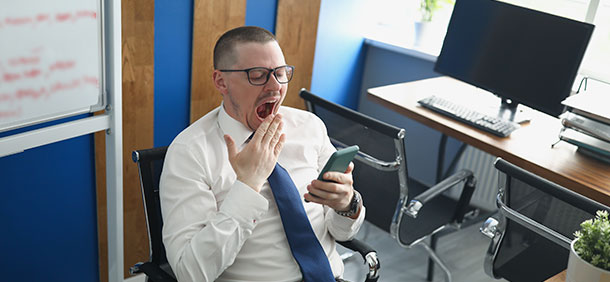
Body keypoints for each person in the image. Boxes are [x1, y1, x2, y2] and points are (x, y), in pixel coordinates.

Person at [159, 26, 365, 282]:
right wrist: (247, 186)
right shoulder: (190, 153)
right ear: (221, 81)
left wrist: (347, 206)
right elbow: (190, 273)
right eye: (257, 75)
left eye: (280, 74)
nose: (275, 87)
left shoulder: (310, 126)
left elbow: (342, 232)